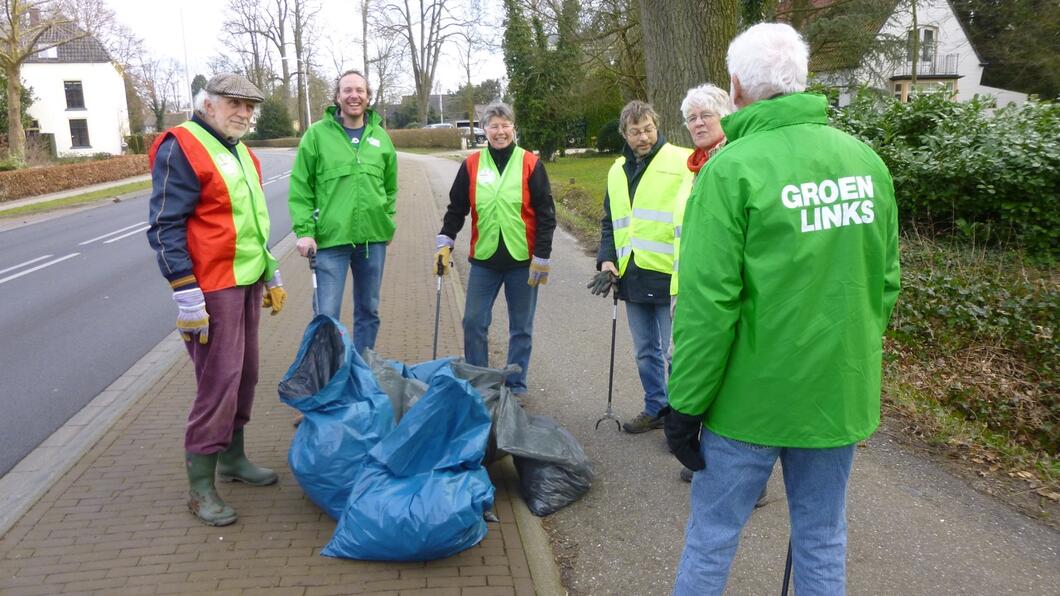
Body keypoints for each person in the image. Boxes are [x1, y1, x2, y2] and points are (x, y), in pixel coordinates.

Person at [665, 23, 900, 595]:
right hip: (833, 398)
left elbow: (707, 307)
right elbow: (883, 285)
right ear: (800, 80)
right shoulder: (865, 163)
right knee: (822, 538)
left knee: (714, 534)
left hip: (749, 404)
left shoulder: (729, 171)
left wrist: (685, 405)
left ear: (738, 87)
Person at [146, 73, 286, 527]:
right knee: (218, 382)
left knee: (245, 375)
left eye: (250, 107)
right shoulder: (181, 146)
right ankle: (200, 487)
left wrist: (271, 271)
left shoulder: (242, 151)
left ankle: (233, 458)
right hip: (210, 287)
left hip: (244, 280)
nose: (243, 113)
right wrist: (185, 292)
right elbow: (166, 226)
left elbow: (252, 222)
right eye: (234, 104)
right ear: (207, 103)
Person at [435, 103, 556, 397]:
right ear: (484, 129)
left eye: (505, 125)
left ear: (514, 128)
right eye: (493, 126)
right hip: (485, 260)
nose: (500, 132)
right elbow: (457, 208)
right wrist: (445, 240)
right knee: (474, 321)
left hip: (523, 260)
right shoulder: (472, 165)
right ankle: (481, 384)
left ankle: (515, 386)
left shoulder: (530, 164)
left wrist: (542, 255)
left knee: (521, 328)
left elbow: (545, 213)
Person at [590, 100, 693, 434]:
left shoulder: (682, 160)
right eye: (635, 132)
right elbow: (611, 223)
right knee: (645, 352)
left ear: (657, 125)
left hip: (671, 273)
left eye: (648, 129)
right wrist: (608, 260)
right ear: (625, 133)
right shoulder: (617, 169)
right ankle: (656, 408)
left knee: (676, 354)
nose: (643, 137)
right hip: (631, 274)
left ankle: (680, 419)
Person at [288, 69, 398, 355]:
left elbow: (390, 187)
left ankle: (362, 370)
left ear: (368, 97)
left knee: (369, 310)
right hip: (329, 241)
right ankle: (328, 376)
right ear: (337, 97)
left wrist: (386, 222)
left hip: (372, 241)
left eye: (359, 90)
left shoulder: (381, 138)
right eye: (347, 90)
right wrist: (304, 232)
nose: (354, 96)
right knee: (326, 315)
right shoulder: (316, 136)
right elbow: (301, 189)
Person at [671, 84, 732, 483]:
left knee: (726, 381)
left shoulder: (729, 162)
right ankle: (710, 458)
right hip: (691, 287)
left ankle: (747, 478)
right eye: (691, 118)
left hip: (718, 291)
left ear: (725, 115)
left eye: (705, 115)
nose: (697, 123)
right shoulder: (696, 164)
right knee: (698, 373)